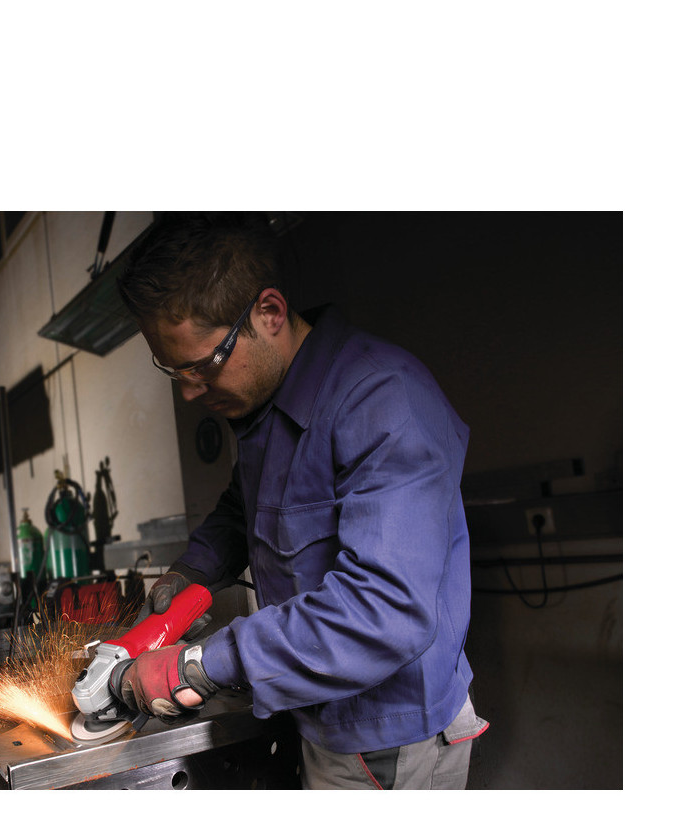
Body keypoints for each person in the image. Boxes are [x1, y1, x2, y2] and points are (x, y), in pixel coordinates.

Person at [113, 213, 488, 789]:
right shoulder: (269, 408)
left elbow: (383, 610)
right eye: (173, 369)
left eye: (202, 365)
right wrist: (193, 571)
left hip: (388, 736)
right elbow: (247, 504)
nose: (188, 391)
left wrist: (200, 665)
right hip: (317, 712)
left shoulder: (383, 400)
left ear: (269, 312)